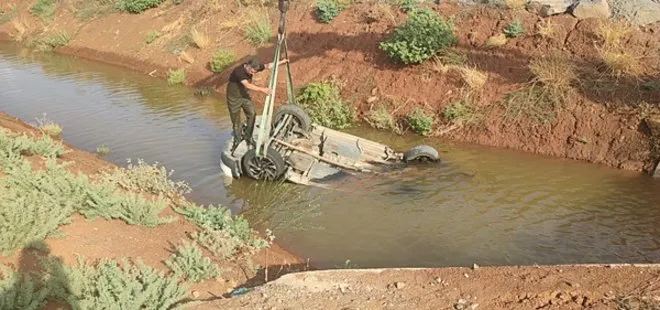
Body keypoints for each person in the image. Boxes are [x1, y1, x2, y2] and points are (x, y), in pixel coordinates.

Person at [224, 57, 289, 153]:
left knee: (252, 114)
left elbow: (268, 66)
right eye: (252, 71)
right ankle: (237, 141)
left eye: (255, 72)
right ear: (248, 66)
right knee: (236, 120)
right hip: (233, 98)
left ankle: (248, 137)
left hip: (244, 95)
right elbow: (248, 85)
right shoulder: (239, 71)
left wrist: (282, 61)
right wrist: (263, 90)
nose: (253, 74)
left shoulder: (255, 67)